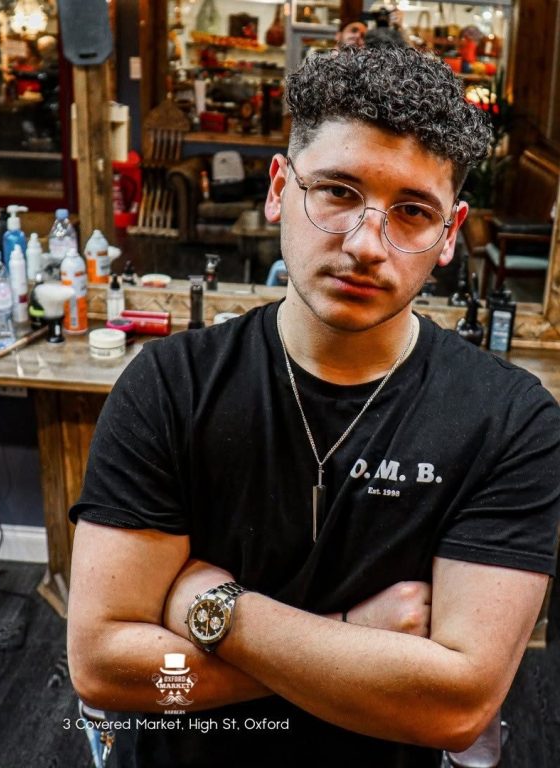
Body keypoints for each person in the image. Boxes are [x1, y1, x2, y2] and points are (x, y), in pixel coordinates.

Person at [66, 45, 560, 767]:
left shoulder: (509, 422)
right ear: (279, 188)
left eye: (412, 212)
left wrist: (214, 610)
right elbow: (106, 671)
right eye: (336, 192)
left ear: (449, 235)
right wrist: (353, 630)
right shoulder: (169, 386)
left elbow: (455, 709)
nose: (366, 244)